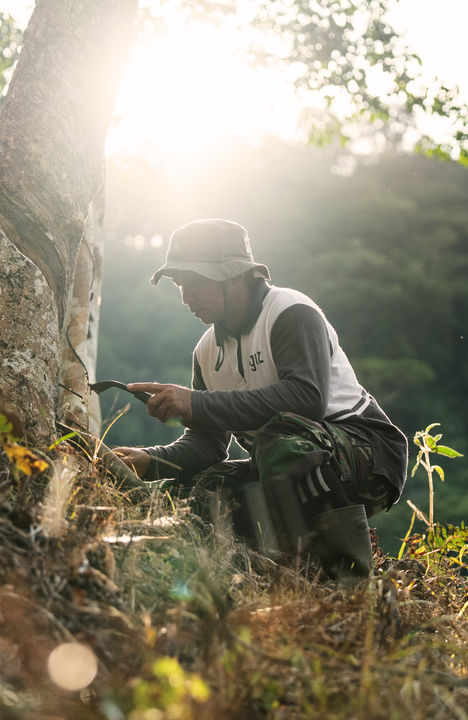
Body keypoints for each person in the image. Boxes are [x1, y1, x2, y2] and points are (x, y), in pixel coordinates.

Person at [114, 219, 408, 578]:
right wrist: (151, 461)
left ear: (235, 276)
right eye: (179, 285)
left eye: (195, 282)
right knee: (197, 487)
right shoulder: (206, 352)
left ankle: (349, 583)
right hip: (286, 462)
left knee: (282, 443)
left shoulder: (290, 312)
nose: (185, 296)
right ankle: (274, 573)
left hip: (368, 456)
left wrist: (196, 403)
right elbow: (208, 445)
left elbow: (307, 400)